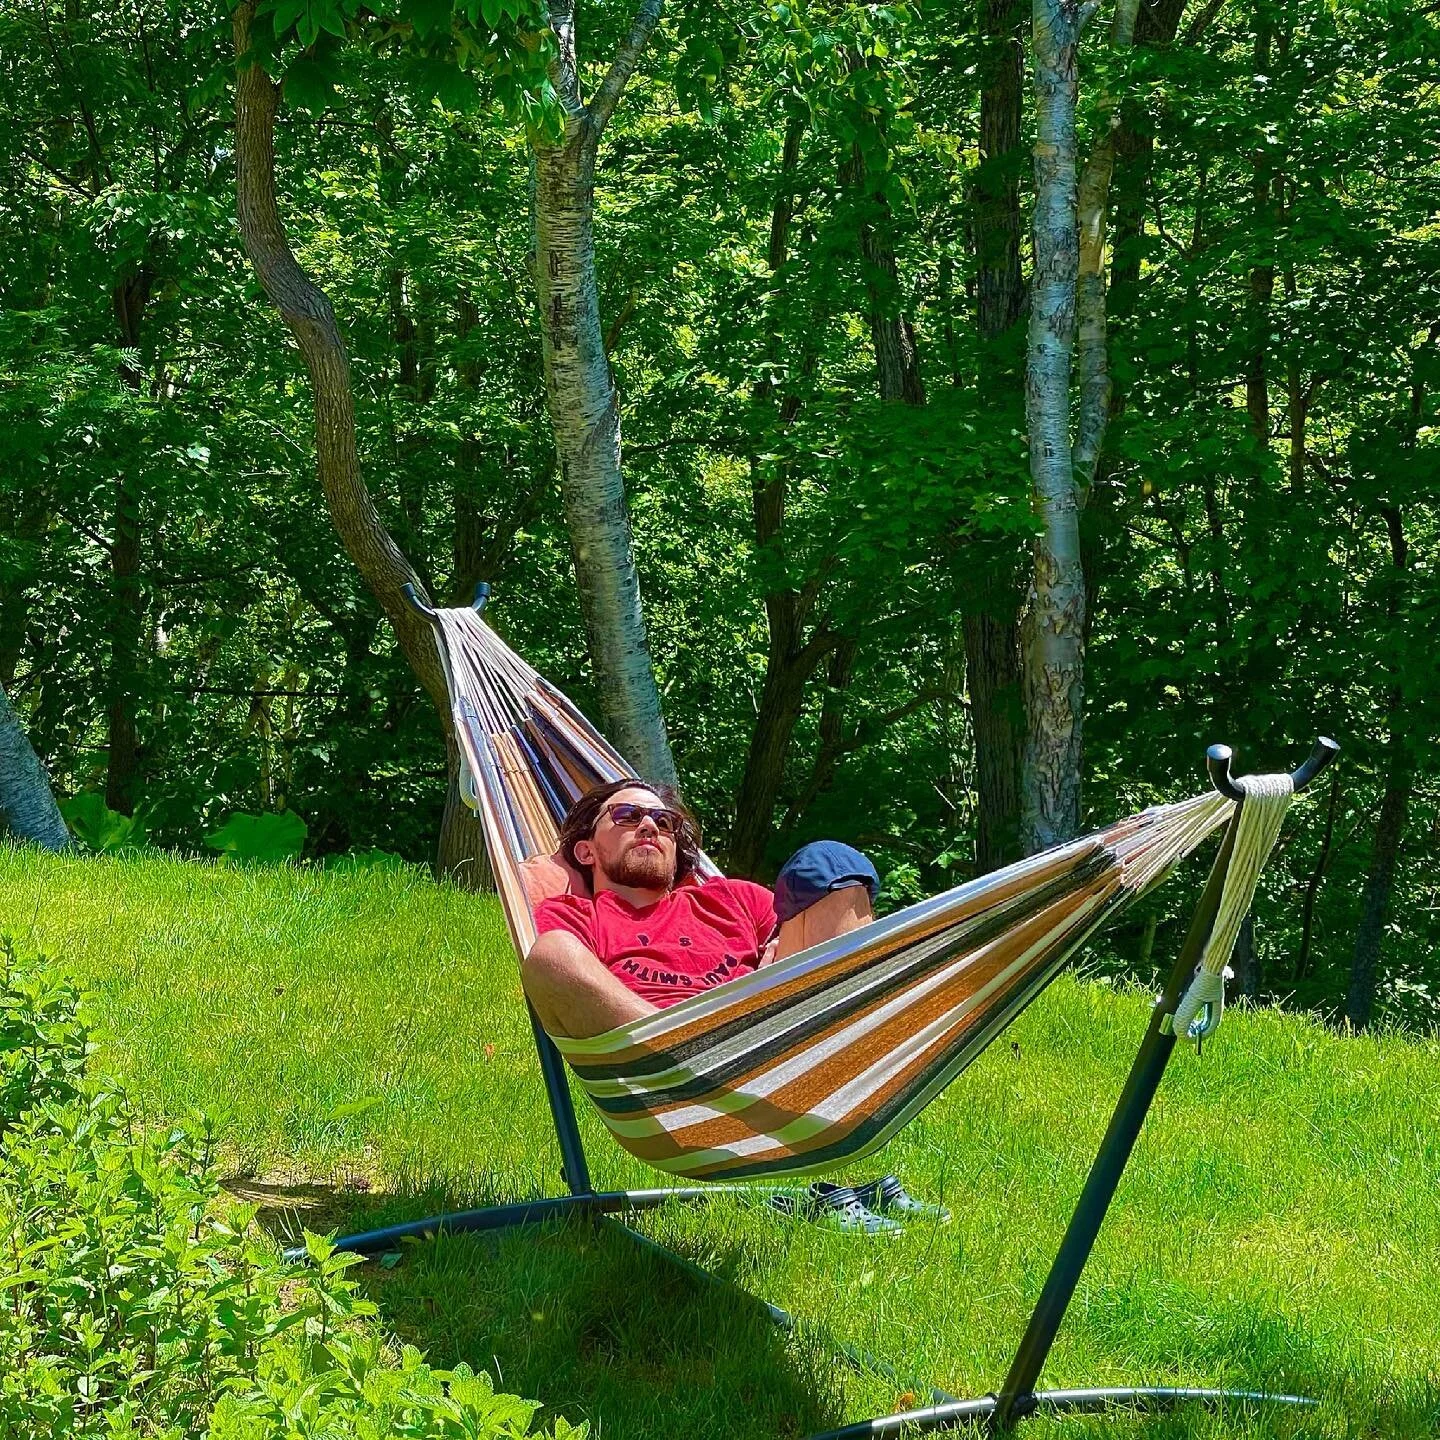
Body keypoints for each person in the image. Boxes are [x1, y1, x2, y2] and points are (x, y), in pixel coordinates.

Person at [520, 778, 950, 1235]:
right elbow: (559, 970)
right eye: (627, 817)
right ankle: (808, 1159)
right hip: (665, 1080)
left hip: (771, 1049)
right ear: (585, 852)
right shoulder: (577, 917)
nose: (649, 825)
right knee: (551, 955)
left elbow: (806, 947)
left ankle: (830, 1145)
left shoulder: (733, 898)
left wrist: (778, 961)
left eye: (664, 822)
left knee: (830, 865)